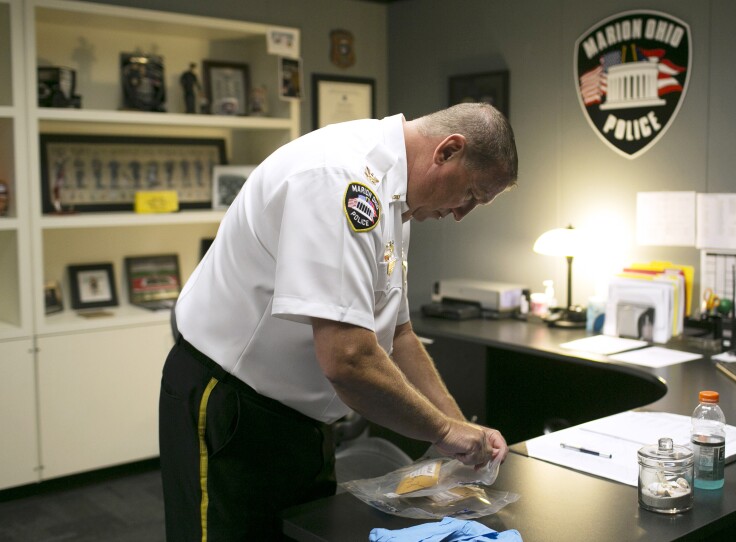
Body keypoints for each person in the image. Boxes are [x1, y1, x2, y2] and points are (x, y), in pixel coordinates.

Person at [160, 102, 518, 541]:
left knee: (297, 535)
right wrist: (444, 431)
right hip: (232, 403)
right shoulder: (340, 177)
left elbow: (397, 333)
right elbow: (347, 358)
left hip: (304, 421)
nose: (462, 213)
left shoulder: (395, 195)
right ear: (447, 151)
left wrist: (463, 427)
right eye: (472, 195)